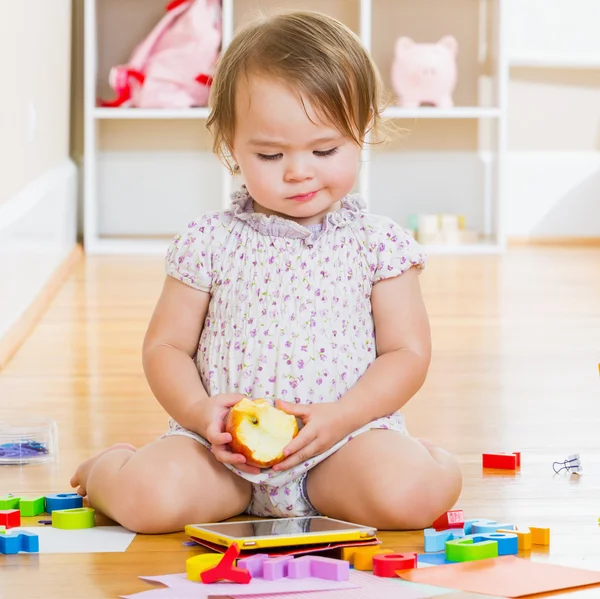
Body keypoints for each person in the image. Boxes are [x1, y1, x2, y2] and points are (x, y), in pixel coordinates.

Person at [71, 10, 462, 534]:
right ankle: (107, 470)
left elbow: (407, 353)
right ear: (230, 147)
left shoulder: (378, 244)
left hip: (340, 448)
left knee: (410, 497)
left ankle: (427, 458)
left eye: (325, 149)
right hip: (220, 455)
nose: (299, 170)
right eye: (271, 153)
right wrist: (197, 412)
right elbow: (165, 347)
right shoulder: (207, 242)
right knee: (150, 503)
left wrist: (343, 417)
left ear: (362, 133)